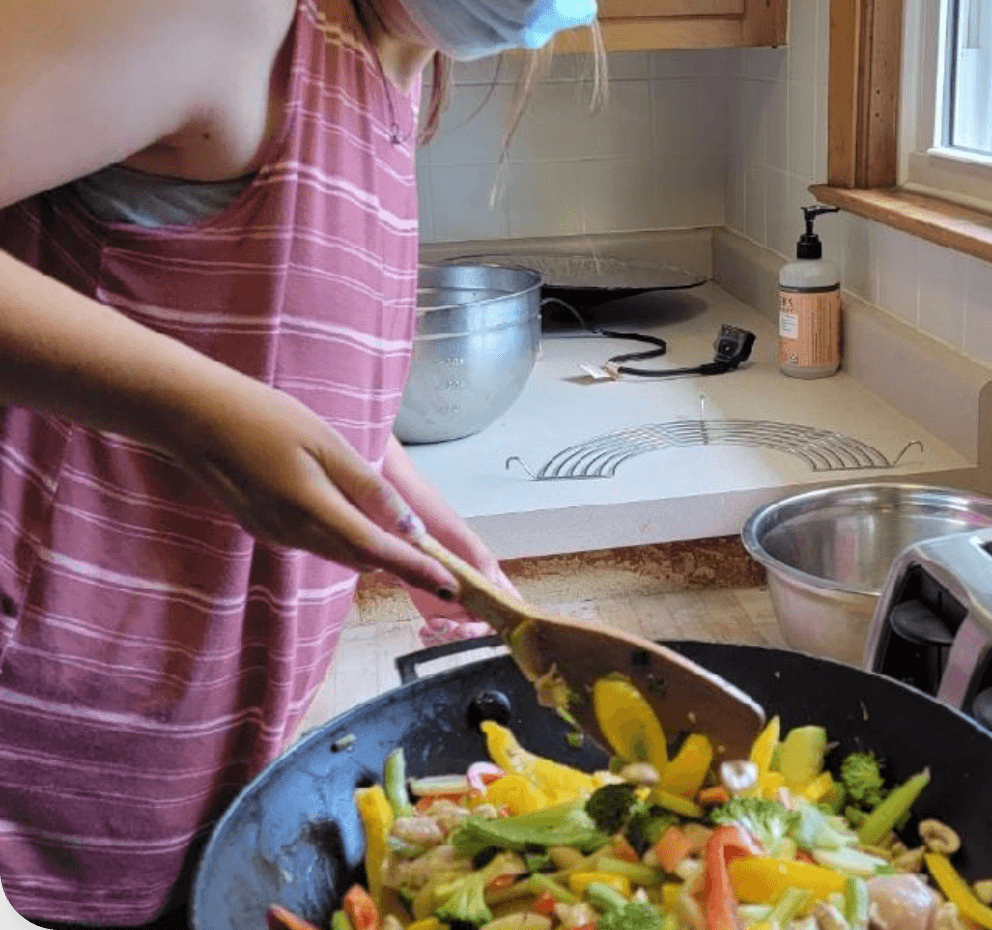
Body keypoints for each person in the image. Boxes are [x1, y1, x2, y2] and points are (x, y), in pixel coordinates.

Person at [0, 0, 597, 925]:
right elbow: (211, 391)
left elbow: (251, 346)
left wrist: (397, 490)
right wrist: (204, 417)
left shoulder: (394, 70)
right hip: (36, 757)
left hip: (167, 777)